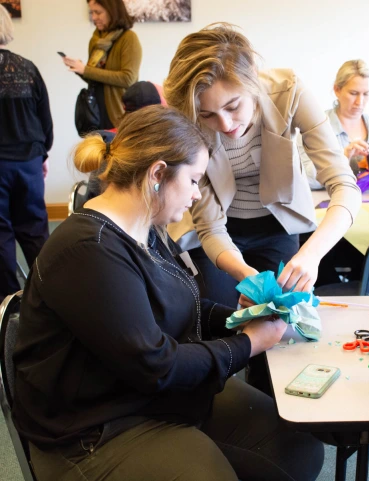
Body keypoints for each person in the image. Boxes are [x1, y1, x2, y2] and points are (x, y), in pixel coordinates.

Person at [13, 105, 324, 481]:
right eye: (193, 180)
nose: (196, 195)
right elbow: (156, 366)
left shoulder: (144, 226)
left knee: (297, 447)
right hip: (96, 429)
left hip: (142, 395)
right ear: (158, 173)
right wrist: (250, 343)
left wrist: (239, 316)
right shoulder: (87, 250)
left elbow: (182, 303)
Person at [164, 23, 362, 309]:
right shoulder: (189, 116)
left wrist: (312, 255)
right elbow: (209, 227)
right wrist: (245, 275)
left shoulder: (289, 91)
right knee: (221, 313)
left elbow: (345, 185)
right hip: (220, 230)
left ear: (252, 79)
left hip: (279, 225)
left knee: (282, 316)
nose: (225, 125)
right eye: (208, 115)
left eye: (233, 107)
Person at [0, 4, 53, 303]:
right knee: (34, 230)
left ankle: (8, 302)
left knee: (0, 235)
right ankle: (48, 294)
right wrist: (41, 156)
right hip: (29, 162)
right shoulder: (27, 68)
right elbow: (44, 120)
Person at [299, 59, 369, 190]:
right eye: (353, 93)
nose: (360, 101)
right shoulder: (314, 127)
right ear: (337, 90)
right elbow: (304, 180)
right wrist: (342, 157)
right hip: (330, 207)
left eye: (366, 94)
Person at [62, 0, 142, 129]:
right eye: (92, 12)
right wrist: (78, 69)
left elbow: (128, 78)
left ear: (113, 11)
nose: (94, 17)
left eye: (98, 12)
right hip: (95, 112)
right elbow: (95, 77)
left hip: (117, 113)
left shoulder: (129, 38)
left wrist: (86, 70)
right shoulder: (96, 40)